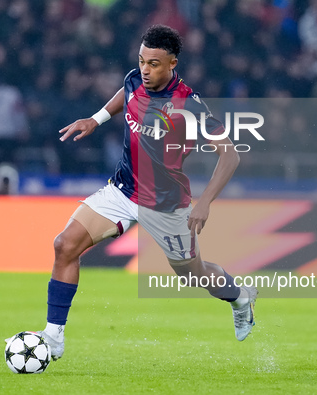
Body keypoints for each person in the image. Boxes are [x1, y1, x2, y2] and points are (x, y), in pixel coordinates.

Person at [39, 25, 257, 361]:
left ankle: (240, 297)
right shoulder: (134, 79)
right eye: (141, 60)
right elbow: (123, 95)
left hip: (166, 206)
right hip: (123, 191)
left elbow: (230, 154)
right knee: (64, 245)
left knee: (193, 276)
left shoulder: (188, 103)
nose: (145, 69)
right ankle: (53, 339)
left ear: (172, 63)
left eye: (154, 63)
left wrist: (205, 202)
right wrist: (96, 119)